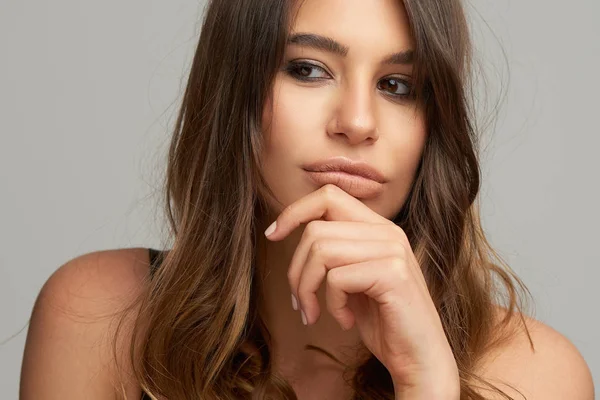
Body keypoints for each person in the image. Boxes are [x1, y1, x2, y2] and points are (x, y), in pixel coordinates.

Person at [19, 0, 594, 399]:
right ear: (235, 90)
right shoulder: (99, 319)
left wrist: (427, 388)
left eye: (397, 85)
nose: (358, 123)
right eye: (309, 69)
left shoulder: (535, 378)